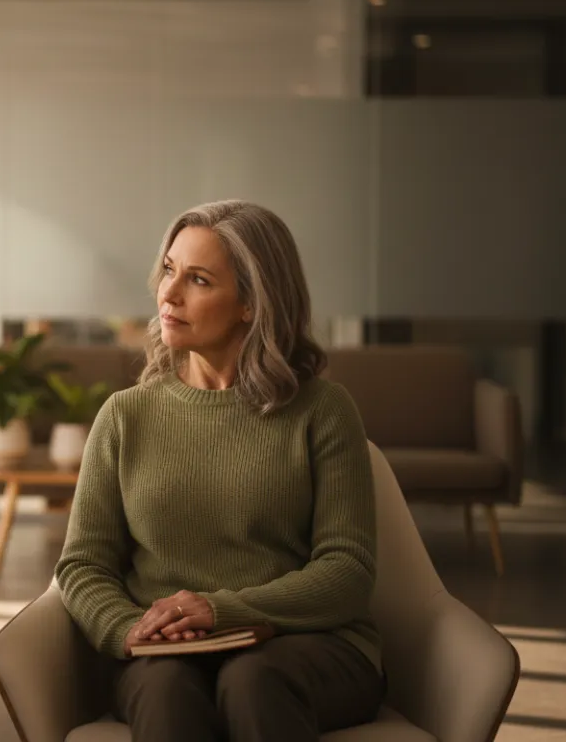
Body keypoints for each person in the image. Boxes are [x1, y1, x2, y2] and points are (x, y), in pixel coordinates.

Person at [54, 200, 384, 742]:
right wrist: (128, 630)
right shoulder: (125, 415)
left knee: (253, 680)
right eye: (168, 270)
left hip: (305, 647)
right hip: (161, 656)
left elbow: (348, 570)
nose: (169, 293)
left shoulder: (323, 410)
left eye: (199, 280)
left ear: (251, 305)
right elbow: (83, 564)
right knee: (167, 692)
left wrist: (221, 609)